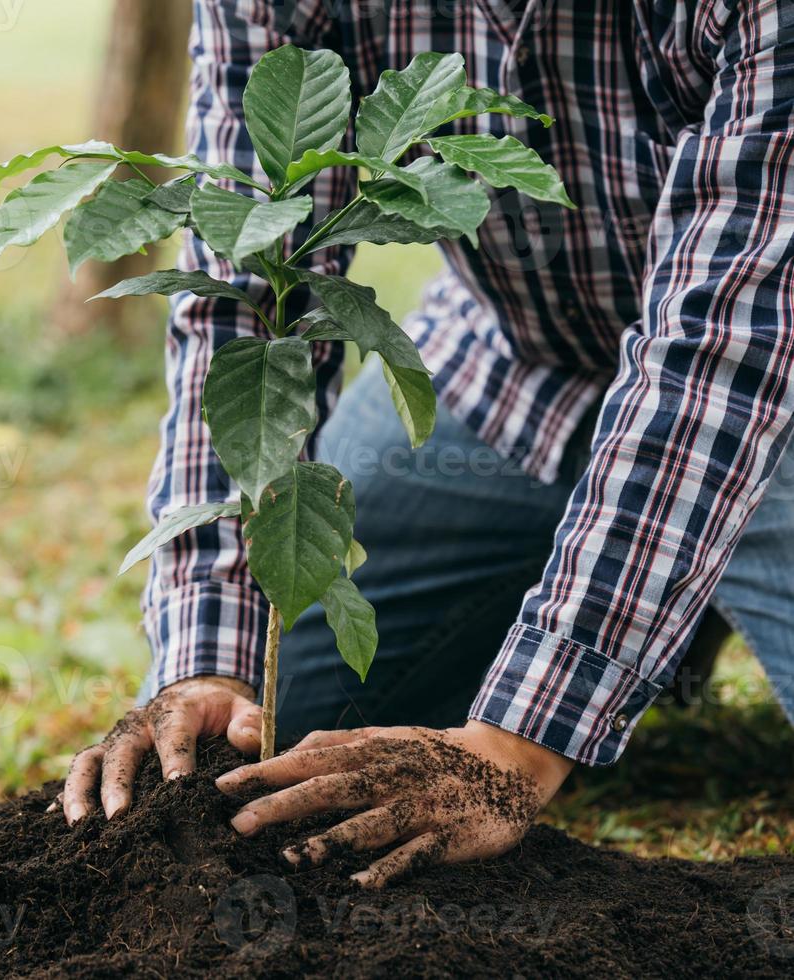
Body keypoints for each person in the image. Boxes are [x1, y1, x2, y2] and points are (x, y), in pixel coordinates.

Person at [55, 0, 794, 888]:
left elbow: (727, 350)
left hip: (765, 413)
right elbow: (242, 286)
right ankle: (643, 615)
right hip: (511, 372)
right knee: (283, 739)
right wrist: (211, 660)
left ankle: (665, 613)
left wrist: (513, 748)